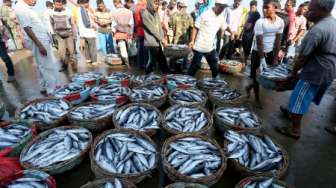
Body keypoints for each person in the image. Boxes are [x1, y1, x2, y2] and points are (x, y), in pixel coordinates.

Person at [277, 0, 336, 139]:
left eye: (311, 9)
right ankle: (291, 112)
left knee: (299, 97)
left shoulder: (318, 29)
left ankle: (295, 129)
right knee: (305, 97)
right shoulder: (333, 23)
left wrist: (292, 74)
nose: (307, 11)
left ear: (321, 9)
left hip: (315, 71)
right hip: (329, 71)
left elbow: (303, 58)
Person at [15, 0, 59, 95]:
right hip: (39, 41)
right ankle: (52, 90)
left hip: (41, 40)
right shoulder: (21, 8)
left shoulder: (26, 8)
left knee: (41, 65)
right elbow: (27, 28)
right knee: (47, 66)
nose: (35, 1)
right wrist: (40, 46)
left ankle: (43, 86)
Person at [245, 1, 284, 107]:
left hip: (270, 52)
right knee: (256, 76)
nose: (264, 10)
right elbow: (259, 41)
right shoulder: (260, 22)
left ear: (275, 8)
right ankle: (257, 99)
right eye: (263, 7)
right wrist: (262, 59)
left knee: (264, 77)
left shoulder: (280, 22)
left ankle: (249, 87)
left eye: (267, 7)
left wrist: (275, 58)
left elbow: (277, 42)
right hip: (258, 53)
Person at [188, 0, 229, 78]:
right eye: (221, 7)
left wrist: (232, 33)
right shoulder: (206, 14)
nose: (222, 10)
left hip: (210, 48)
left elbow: (225, 26)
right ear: (216, 4)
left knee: (215, 67)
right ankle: (186, 84)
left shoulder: (221, 17)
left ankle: (215, 84)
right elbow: (196, 27)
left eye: (223, 8)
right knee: (194, 67)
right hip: (199, 47)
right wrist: (192, 41)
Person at [142, 0, 169, 74]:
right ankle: (147, 76)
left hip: (157, 41)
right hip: (151, 42)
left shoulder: (156, 13)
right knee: (154, 61)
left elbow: (159, 27)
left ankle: (165, 76)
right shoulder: (145, 14)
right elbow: (152, 29)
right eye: (155, 4)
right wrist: (162, 39)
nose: (157, 6)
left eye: (158, 4)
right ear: (150, 3)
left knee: (159, 60)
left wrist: (163, 38)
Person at [50, 0, 76, 72]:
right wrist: (54, 33)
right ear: (54, 4)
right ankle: (64, 66)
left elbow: (72, 23)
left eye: (60, 5)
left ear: (62, 4)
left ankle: (73, 63)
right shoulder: (51, 13)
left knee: (71, 50)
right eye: (57, 5)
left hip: (69, 34)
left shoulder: (68, 11)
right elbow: (52, 23)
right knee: (61, 52)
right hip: (59, 35)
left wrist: (74, 35)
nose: (59, 6)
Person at [168, 0, 193, 73]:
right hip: (185, 40)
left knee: (174, 54)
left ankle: (171, 68)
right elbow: (191, 28)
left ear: (179, 6)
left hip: (176, 39)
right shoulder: (189, 16)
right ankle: (184, 69)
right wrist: (191, 40)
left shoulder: (173, 15)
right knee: (185, 55)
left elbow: (170, 27)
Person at [112, 0, 134, 67]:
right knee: (128, 47)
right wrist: (131, 33)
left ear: (115, 3)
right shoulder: (129, 11)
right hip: (127, 32)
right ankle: (130, 62)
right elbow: (131, 24)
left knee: (122, 48)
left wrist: (113, 33)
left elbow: (113, 25)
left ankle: (126, 63)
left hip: (119, 33)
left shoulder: (114, 12)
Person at [134, 0, 148, 69]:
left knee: (140, 48)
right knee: (144, 49)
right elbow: (140, 22)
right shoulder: (142, 7)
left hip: (139, 31)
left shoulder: (137, 7)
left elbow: (137, 22)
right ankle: (145, 65)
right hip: (144, 31)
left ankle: (140, 65)